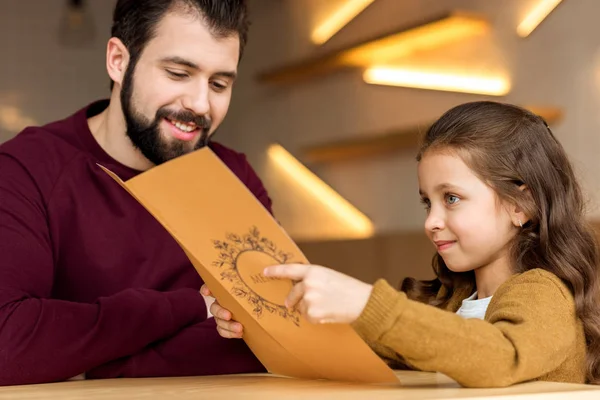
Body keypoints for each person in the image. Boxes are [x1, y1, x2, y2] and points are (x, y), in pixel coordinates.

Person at [203, 101, 600, 387]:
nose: (431, 222)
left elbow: (499, 357)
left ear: (520, 205)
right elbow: (369, 349)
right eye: (428, 201)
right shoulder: (451, 302)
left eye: (452, 198)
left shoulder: (543, 293)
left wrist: (367, 303)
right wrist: (267, 320)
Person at [0, 0, 270, 386]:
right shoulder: (25, 170)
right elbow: (9, 345)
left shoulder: (235, 178)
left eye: (219, 84)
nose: (199, 103)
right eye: (178, 73)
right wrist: (193, 306)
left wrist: (93, 366)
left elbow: (269, 340)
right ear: (118, 60)